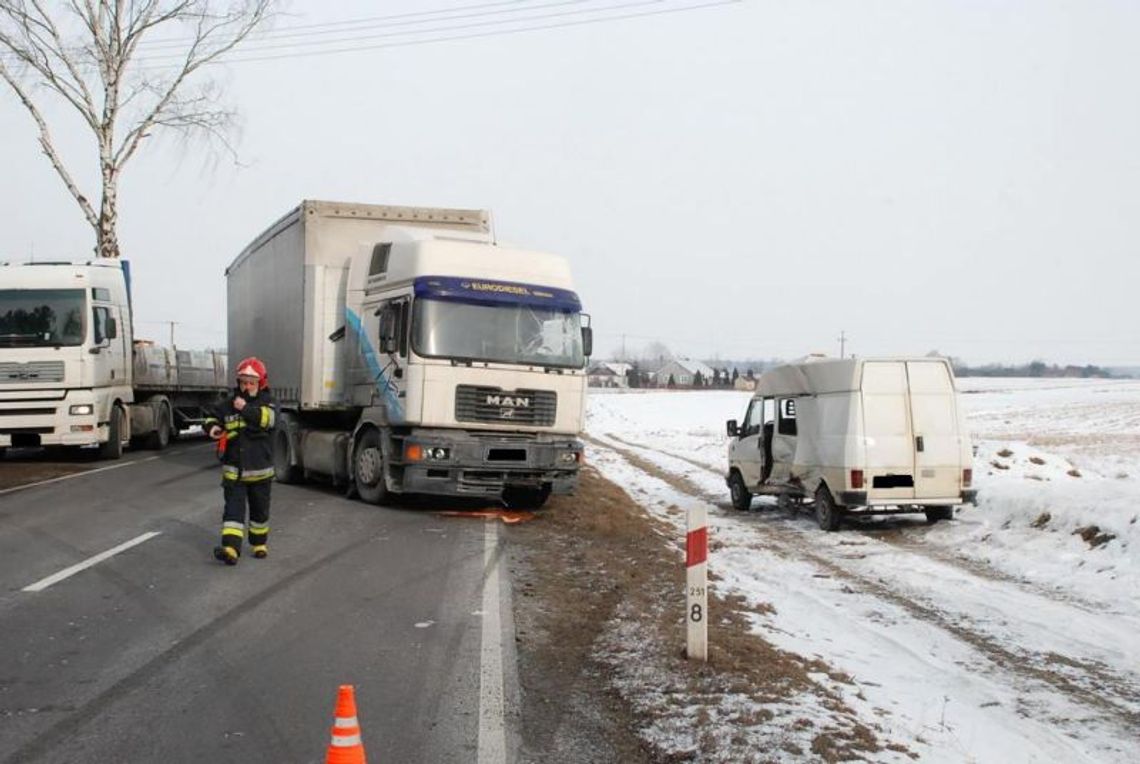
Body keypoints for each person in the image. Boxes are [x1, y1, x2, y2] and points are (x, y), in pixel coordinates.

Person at [203, 356, 277, 566]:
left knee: (259, 511)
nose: (246, 386)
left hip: (260, 471)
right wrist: (213, 428)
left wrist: (244, 409)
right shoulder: (227, 404)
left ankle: (259, 543)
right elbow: (211, 417)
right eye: (243, 382)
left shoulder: (269, 402)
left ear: (260, 383)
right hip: (234, 471)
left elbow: (268, 420)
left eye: (251, 383)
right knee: (233, 511)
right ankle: (231, 549)